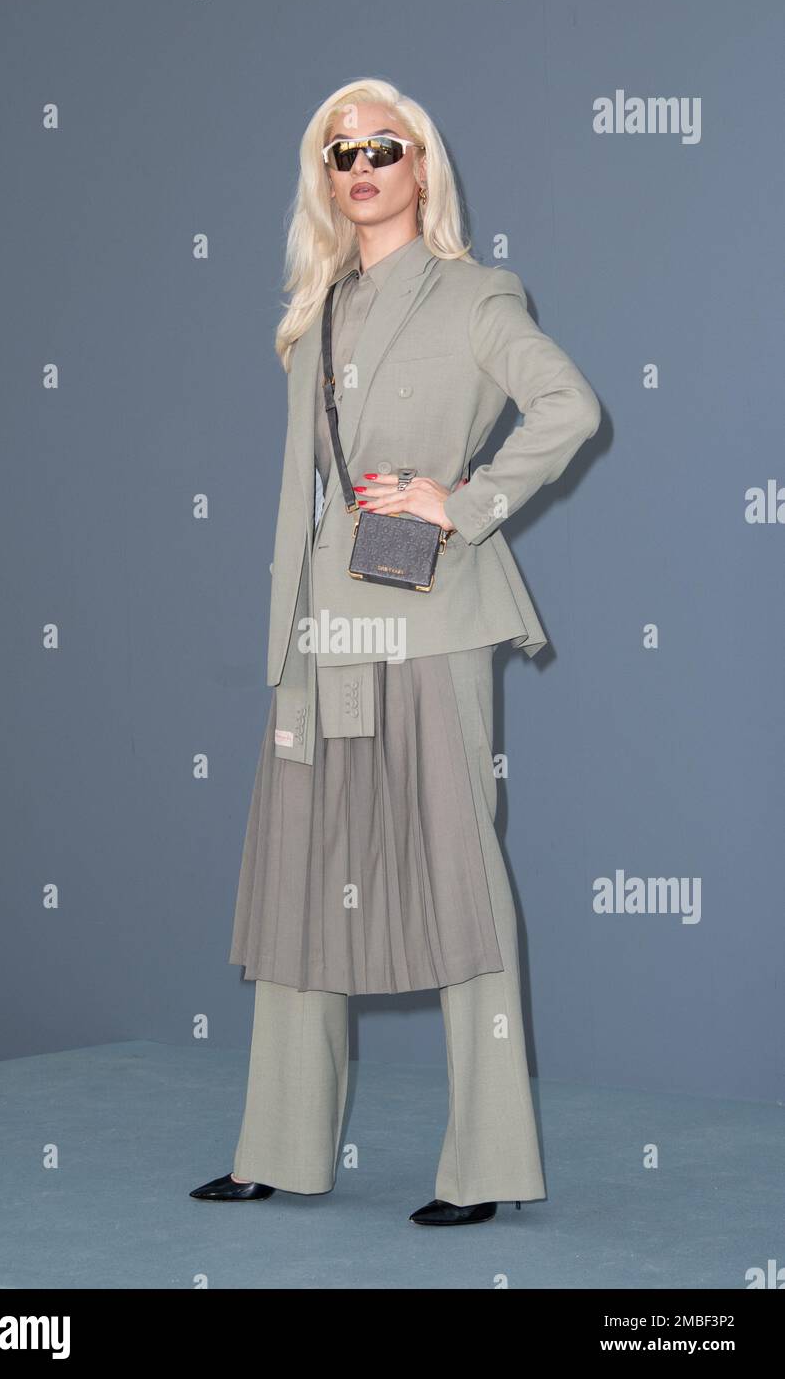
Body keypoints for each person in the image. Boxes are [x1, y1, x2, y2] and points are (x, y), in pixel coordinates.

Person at [191, 77, 601, 1226]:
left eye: (382, 145)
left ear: (421, 164)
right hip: (320, 633)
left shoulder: (477, 295)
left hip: (425, 626)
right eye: (337, 151)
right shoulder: (312, 315)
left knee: (458, 887)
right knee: (298, 883)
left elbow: (566, 407)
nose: (359, 164)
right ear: (323, 179)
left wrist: (459, 502)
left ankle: (487, 1168)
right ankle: (277, 1148)